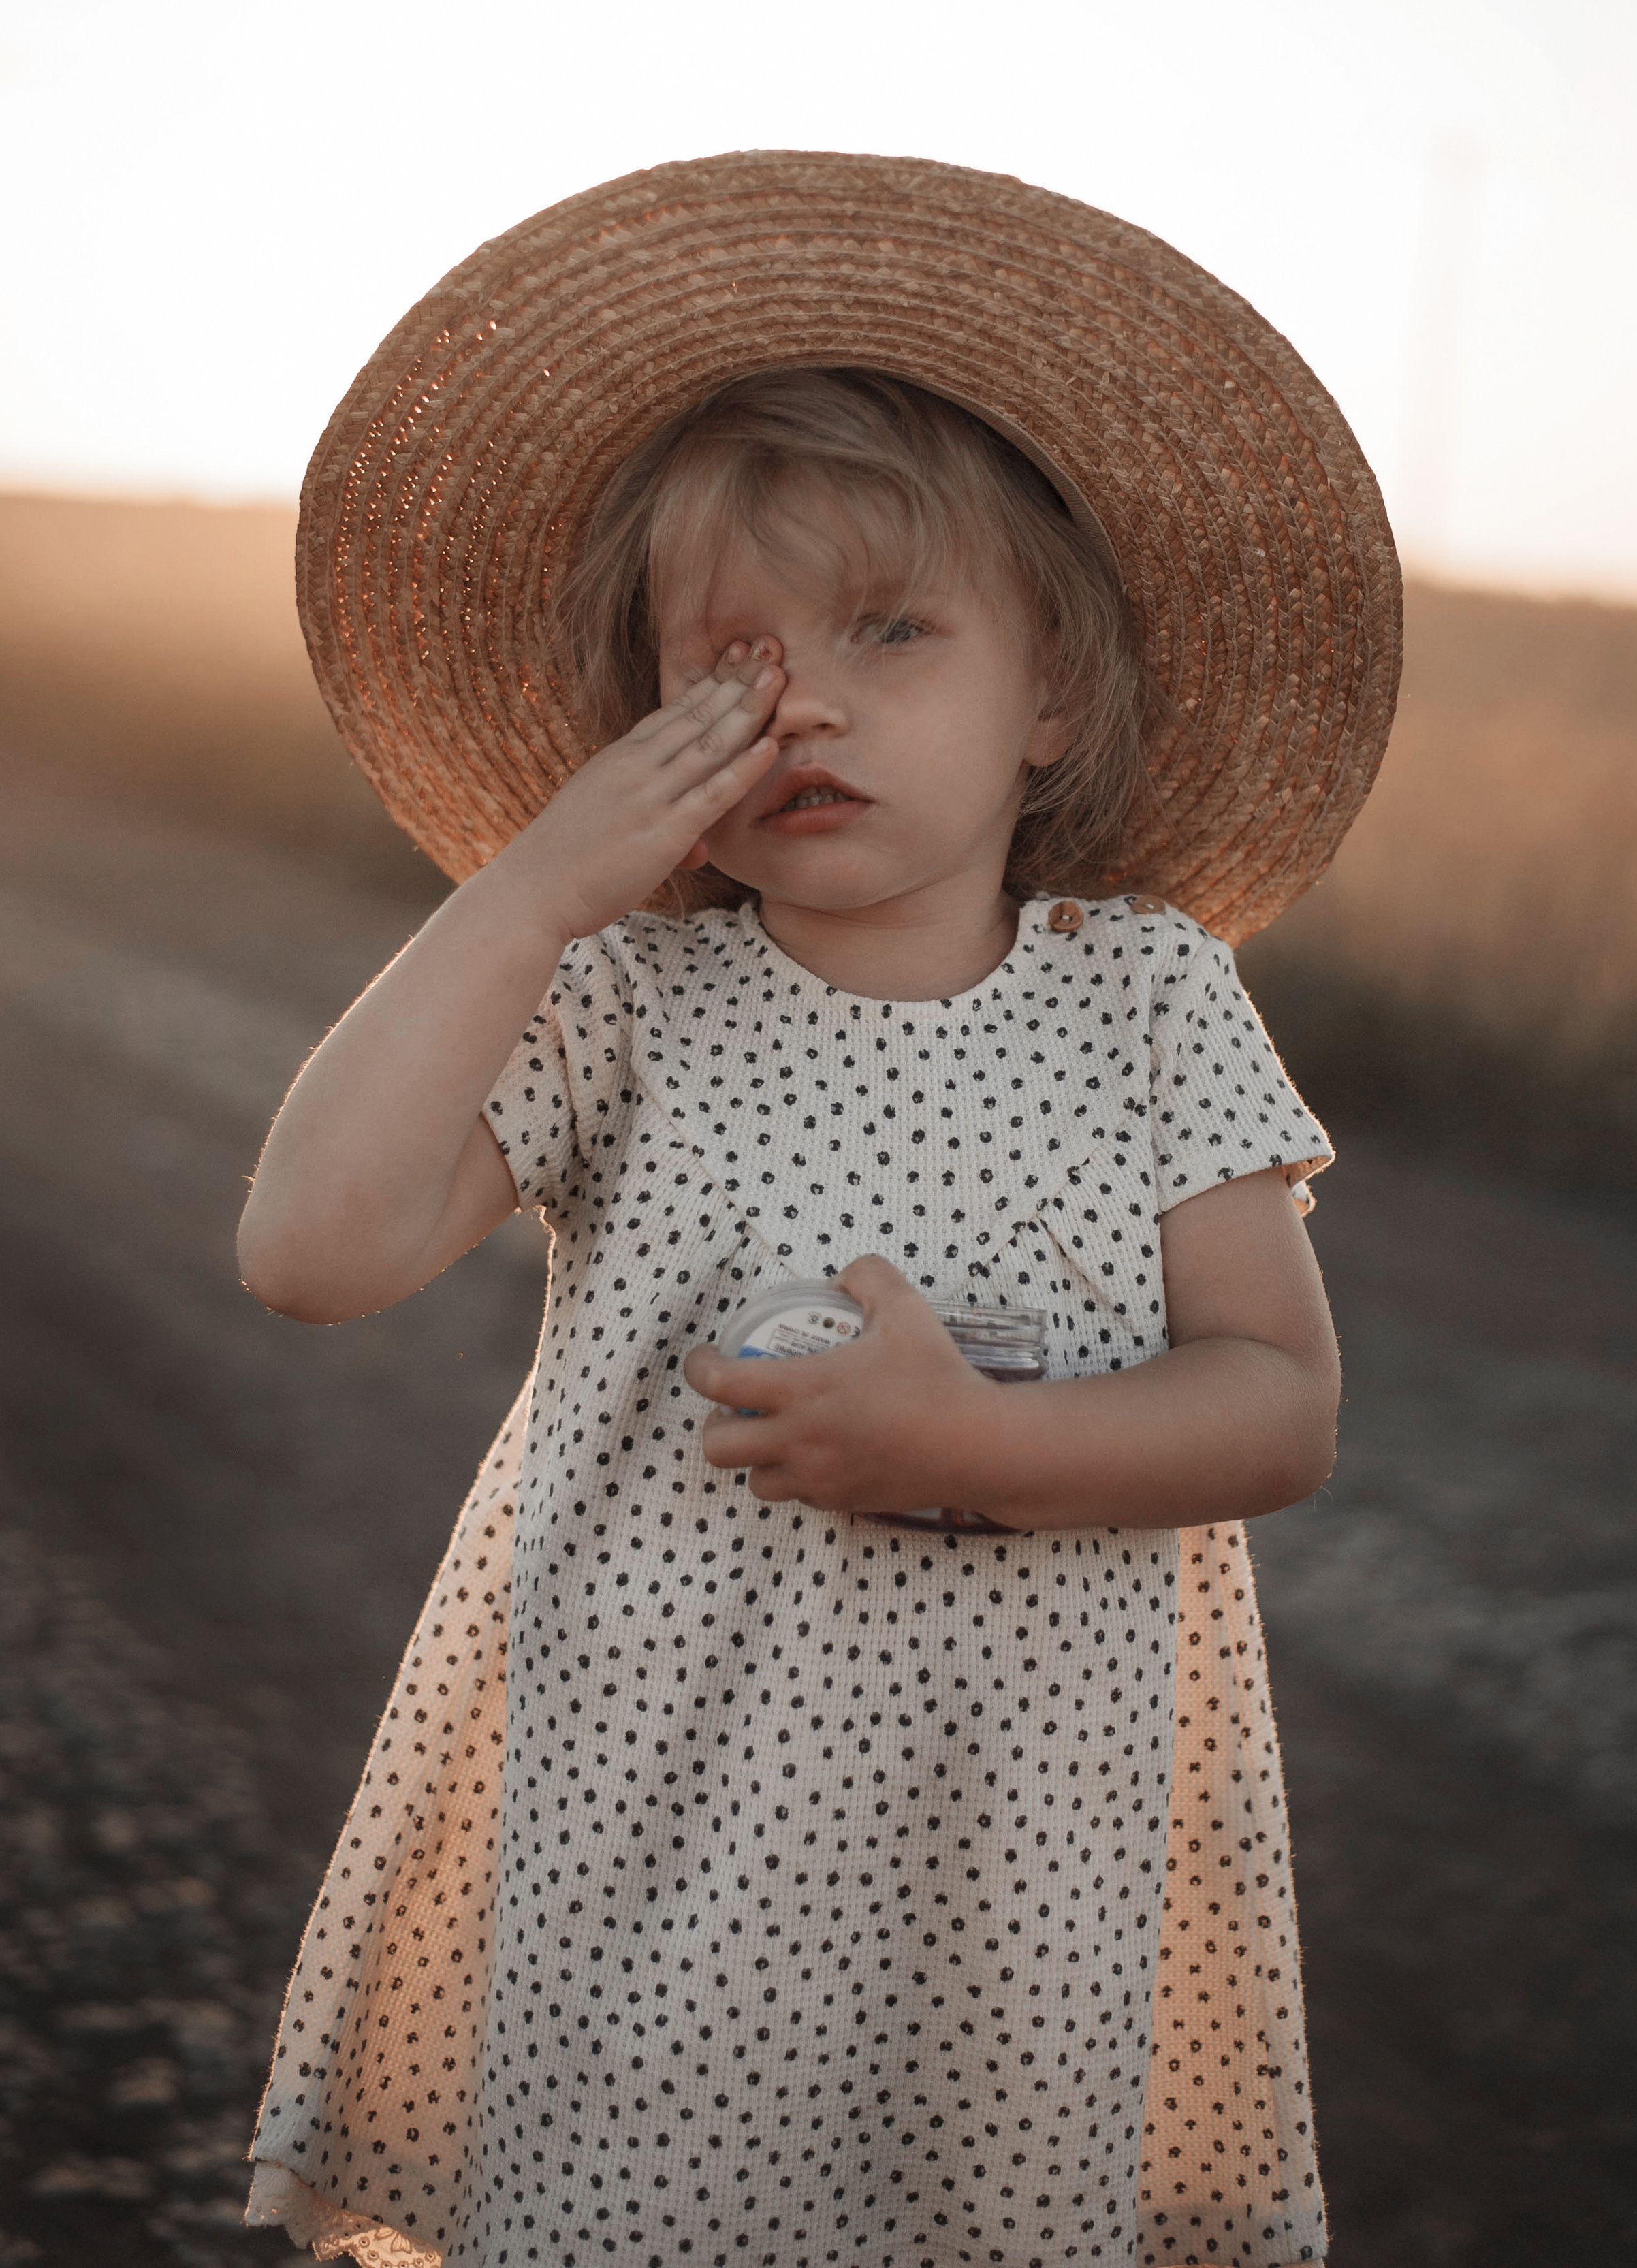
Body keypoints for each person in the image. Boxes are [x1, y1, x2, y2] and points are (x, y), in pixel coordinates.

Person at [240, 153, 1400, 2268]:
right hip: (653, 1843)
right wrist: (531, 887)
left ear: (1051, 698)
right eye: (730, 659)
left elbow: (1280, 1407)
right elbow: (310, 1252)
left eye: (892, 629)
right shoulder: (623, 997)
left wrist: (974, 1443)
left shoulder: (1148, 1000)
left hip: (1018, 1875)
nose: (810, 702)